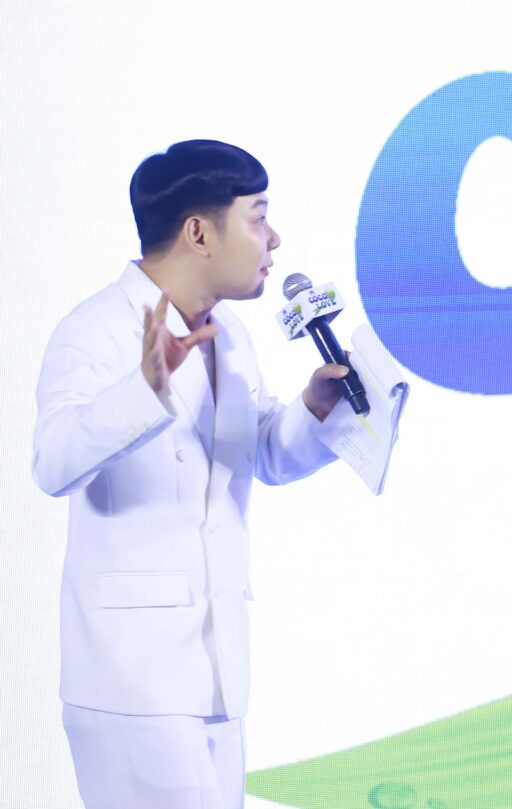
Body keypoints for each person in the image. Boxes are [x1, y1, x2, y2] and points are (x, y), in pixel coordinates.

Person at [33, 140, 369, 809]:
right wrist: (145, 388)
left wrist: (313, 408)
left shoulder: (229, 333)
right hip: (132, 680)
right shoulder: (95, 329)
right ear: (198, 232)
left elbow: (259, 453)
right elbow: (53, 462)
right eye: (257, 217)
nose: (274, 239)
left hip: (216, 671)